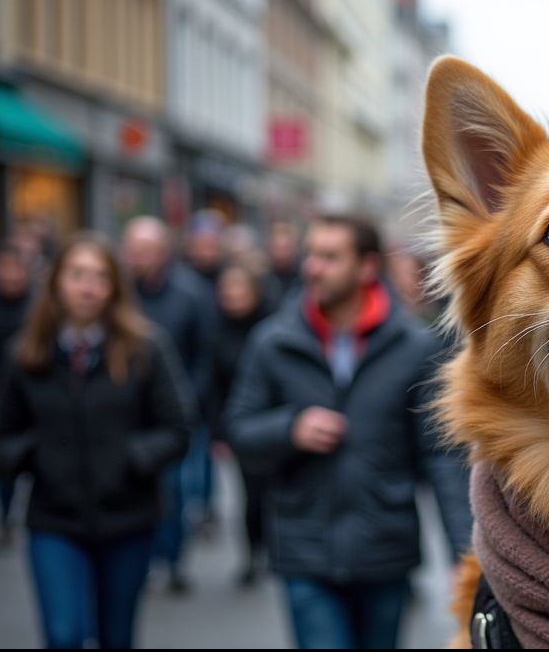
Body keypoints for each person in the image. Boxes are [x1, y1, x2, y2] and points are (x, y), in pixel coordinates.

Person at [225, 214, 472, 649]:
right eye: (312, 254)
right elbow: (239, 430)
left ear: (366, 267)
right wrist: (290, 429)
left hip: (384, 549)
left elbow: (440, 456)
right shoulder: (274, 341)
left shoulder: (414, 346)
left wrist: (464, 554)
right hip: (305, 549)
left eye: (330, 257)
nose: (313, 267)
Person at [0, 234, 192, 648]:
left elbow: (179, 428)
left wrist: (134, 457)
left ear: (115, 286)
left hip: (127, 519)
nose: (88, 287)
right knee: (64, 635)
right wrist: (36, 456)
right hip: (54, 520)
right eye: (77, 275)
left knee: (116, 637)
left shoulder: (145, 348)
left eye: (100, 277)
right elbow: (0, 439)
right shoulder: (27, 355)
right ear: (56, 282)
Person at [122, 216, 213, 593]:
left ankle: (172, 559)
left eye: (144, 250)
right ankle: (139, 559)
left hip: (176, 414)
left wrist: (190, 402)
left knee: (175, 489)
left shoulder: (190, 293)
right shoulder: (121, 294)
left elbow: (206, 353)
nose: (136, 257)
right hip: (127, 413)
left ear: (162, 252)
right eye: (132, 249)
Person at [210, 261, 271, 587]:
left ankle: (277, 548)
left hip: (275, 424)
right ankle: (253, 554)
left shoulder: (272, 330)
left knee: (272, 493)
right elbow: (213, 384)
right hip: (240, 426)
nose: (233, 296)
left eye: (240, 289)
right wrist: (219, 432)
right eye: (227, 290)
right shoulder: (216, 329)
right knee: (250, 495)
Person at [0, 244, 34, 549]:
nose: (12, 276)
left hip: (29, 395)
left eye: (17, 269)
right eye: (5, 269)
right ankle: (4, 512)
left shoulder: (36, 305)